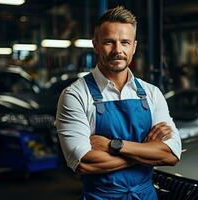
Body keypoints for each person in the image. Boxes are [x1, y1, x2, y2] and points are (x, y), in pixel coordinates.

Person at [55, 6, 181, 200]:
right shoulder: (75, 95)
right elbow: (85, 163)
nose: (118, 50)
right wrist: (146, 150)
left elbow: (171, 156)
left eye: (125, 42)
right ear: (96, 45)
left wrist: (115, 145)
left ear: (134, 47)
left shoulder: (152, 93)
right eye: (109, 42)